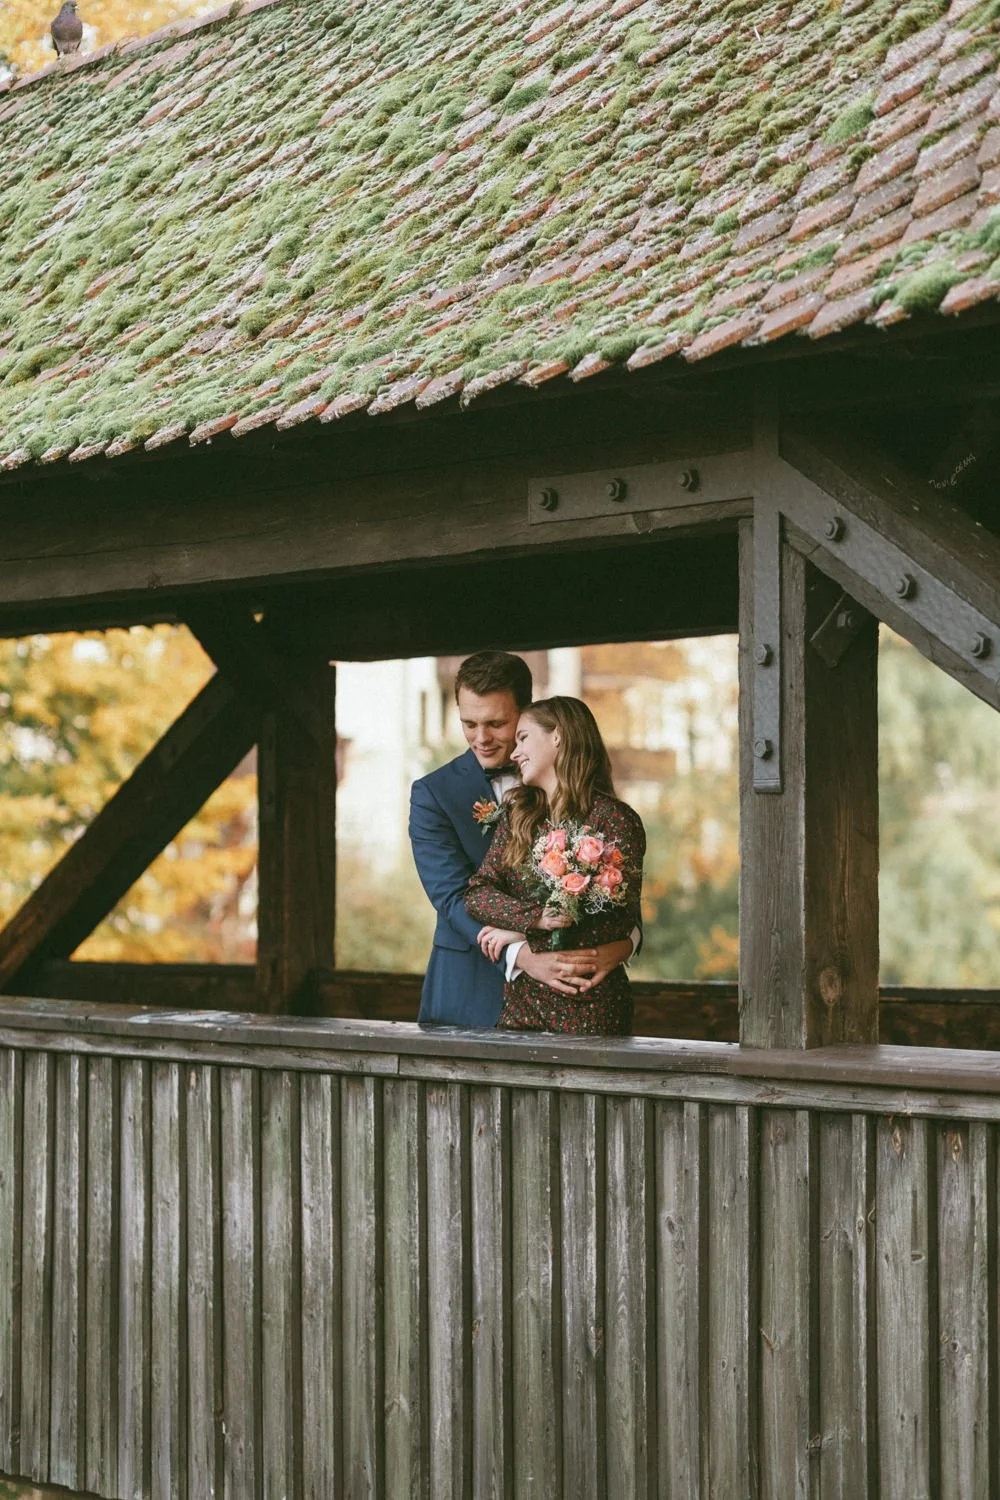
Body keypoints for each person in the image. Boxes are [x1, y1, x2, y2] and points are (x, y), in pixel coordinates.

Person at [409, 653, 633, 1026]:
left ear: (526, 713)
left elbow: (618, 888)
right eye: (469, 723)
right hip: (469, 990)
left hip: (572, 1000)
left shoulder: (572, 792)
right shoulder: (434, 793)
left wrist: (623, 945)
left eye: (497, 723)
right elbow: (453, 897)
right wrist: (524, 956)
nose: (481, 738)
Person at [465, 696, 645, 1035]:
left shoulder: (614, 820)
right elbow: (477, 893)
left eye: (523, 738)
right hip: (521, 1008)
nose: (514, 753)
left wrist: (518, 934)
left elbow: (616, 923)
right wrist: (534, 920)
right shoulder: (519, 816)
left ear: (558, 736)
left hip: (590, 1006)